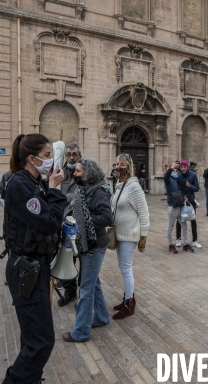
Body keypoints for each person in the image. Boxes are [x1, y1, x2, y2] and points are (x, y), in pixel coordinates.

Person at [2, 133, 66, 384]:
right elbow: (48, 221)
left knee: (34, 337)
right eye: (47, 155)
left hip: (37, 267)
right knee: (41, 341)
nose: (51, 160)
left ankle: (31, 379)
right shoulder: (20, 184)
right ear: (32, 158)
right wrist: (55, 190)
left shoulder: (34, 181)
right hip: (26, 269)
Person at [62, 159, 112, 342]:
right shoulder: (83, 189)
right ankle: (101, 317)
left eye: (78, 171)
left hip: (93, 244)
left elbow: (107, 217)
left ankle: (81, 332)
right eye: (75, 171)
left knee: (86, 288)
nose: (75, 174)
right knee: (93, 282)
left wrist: (83, 219)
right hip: (87, 242)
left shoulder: (98, 191)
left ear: (88, 173)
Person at [111, 153, 149, 320]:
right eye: (117, 164)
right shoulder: (120, 185)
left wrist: (143, 238)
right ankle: (127, 297)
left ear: (129, 167)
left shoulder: (134, 187)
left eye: (122, 164)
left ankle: (129, 304)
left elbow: (144, 213)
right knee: (123, 267)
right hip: (119, 234)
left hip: (129, 235)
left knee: (126, 269)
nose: (118, 167)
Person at [56, 142, 81, 307]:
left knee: (84, 259)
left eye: (74, 154)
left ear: (79, 155)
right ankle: (70, 292)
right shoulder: (60, 172)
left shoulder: (84, 172)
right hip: (64, 222)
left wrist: (66, 198)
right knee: (66, 258)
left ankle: (85, 293)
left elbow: (82, 196)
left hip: (80, 223)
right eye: (69, 154)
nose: (71, 157)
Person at [175, 160, 201, 249]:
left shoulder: (193, 175)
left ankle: (195, 241)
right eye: (181, 167)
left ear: (187, 167)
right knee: (180, 221)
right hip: (182, 201)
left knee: (193, 220)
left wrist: (190, 186)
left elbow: (197, 188)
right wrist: (182, 197)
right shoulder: (178, 176)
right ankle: (178, 239)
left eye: (184, 167)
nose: (183, 168)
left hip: (191, 201)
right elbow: (177, 189)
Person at [165, 162, 189, 254]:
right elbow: (166, 177)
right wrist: (171, 168)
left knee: (184, 225)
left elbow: (178, 193)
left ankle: (186, 244)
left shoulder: (177, 180)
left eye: (176, 171)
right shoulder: (169, 180)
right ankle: (171, 245)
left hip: (179, 206)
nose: (175, 172)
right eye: (173, 171)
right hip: (172, 206)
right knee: (170, 226)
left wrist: (183, 197)